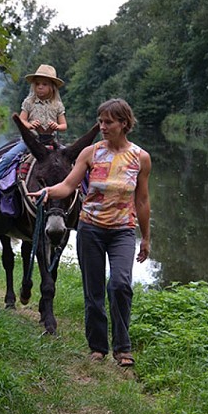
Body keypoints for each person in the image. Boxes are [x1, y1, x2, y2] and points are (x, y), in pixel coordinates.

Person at [29, 99, 151, 367]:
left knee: (120, 285)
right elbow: (68, 185)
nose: (102, 126)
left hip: (122, 231)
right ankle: (97, 348)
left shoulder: (140, 158)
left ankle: (123, 348)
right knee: (93, 291)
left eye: (108, 122)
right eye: (100, 121)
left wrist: (146, 238)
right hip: (90, 229)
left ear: (124, 124)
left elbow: (142, 200)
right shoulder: (90, 153)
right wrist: (48, 192)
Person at [0, 64, 67, 202]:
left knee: (72, 161)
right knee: (8, 157)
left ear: (52, 87)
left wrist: (57, 126)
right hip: (31, 141)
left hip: (51, 142)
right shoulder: (29, 102)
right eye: (37, 84)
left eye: (44, 84)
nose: (40, 87)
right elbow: (22, 120)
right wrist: (29, 125)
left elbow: (64, 125)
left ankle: (81, 192)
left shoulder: (57, 105)